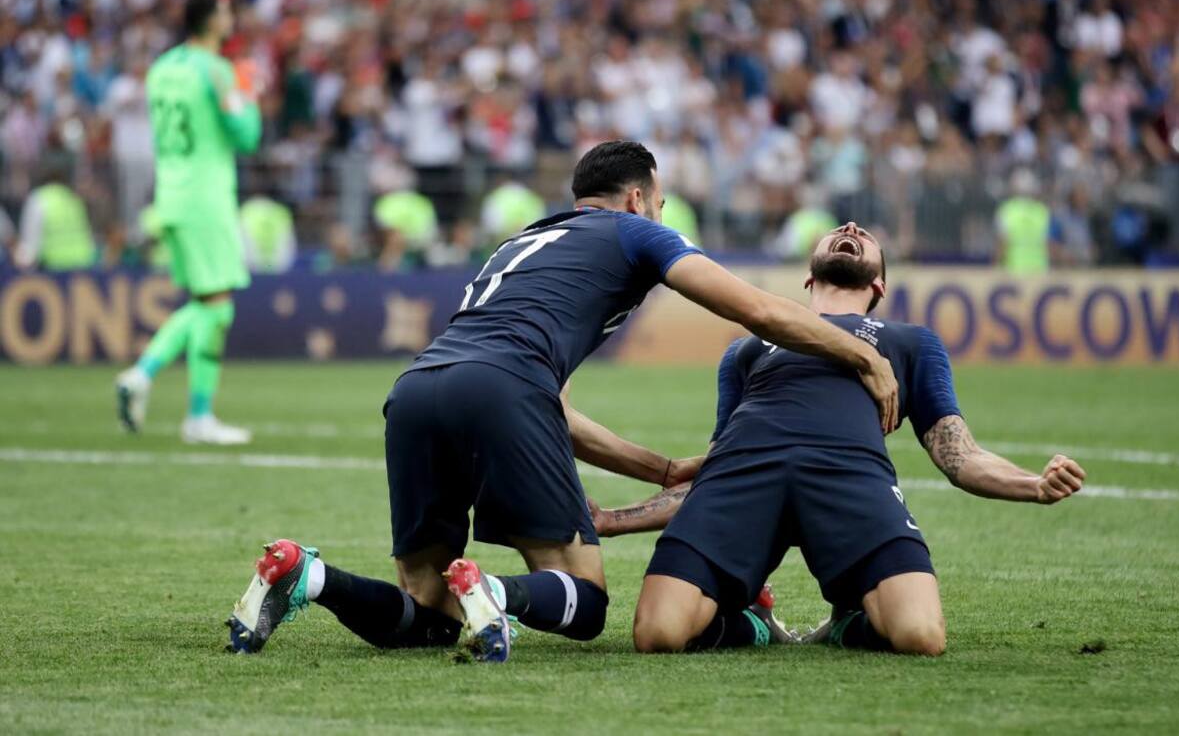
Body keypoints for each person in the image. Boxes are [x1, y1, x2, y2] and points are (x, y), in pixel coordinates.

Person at [224, 141, 901, 662]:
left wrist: (662, 469)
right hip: (504, 386)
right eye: (661, 205)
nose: (662, 217)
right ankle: (496, 592)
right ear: (638, 199)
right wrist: (864, 354)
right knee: (587, 599)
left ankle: (306, 575)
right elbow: (755, 307)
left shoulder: (518, 245)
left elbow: (558, 412)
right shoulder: (637, 233)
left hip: (419, 387)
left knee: (426, 605)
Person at [591, 222, 1087, 655]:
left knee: (920, 635)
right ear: (809, 276)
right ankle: (754, 623)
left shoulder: (911, 342)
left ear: (879, 283)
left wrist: (1033, 486)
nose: (851, 227)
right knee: (656, 634)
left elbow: (958, 455)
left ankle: (849, 620)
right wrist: (613, 521)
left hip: (849, 476)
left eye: (865, 236)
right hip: (745, 477)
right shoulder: (747, 349)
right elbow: (713, 470)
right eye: (840, 232)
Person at [114, 0, 262, 444]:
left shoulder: (161, 68)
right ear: (213, 20)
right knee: (216, 308)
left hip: (170, 197)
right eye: (226, 9)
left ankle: (148, 382)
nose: (231, 16)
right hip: (206, 197)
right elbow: (247, 135)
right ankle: (190, 410)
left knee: (205, 304)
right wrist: (249, 96)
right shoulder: (216, 69)